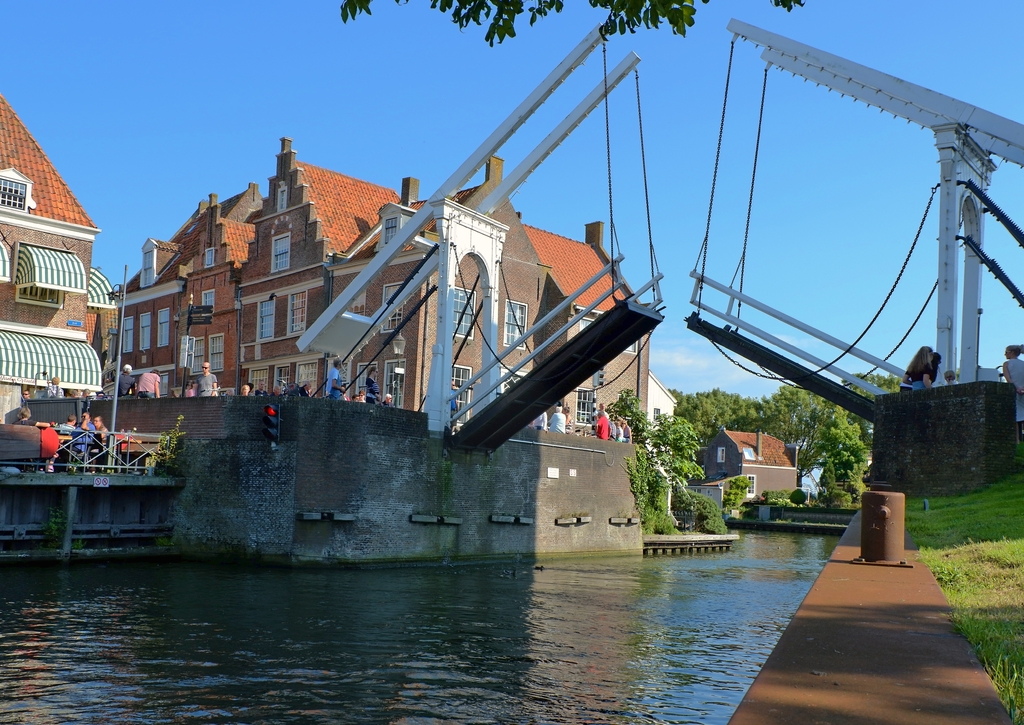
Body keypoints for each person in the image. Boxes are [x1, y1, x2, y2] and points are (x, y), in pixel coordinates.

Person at [1003, 345, 1024, 442]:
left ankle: (1017, 440)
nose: (1005, 354)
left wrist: (1017, 388)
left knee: (1015, 416)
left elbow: (1008, 379)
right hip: (1023, 391)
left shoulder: (1006, 364)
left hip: (1014, 391)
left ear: (1011, 352)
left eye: (1006, 352)